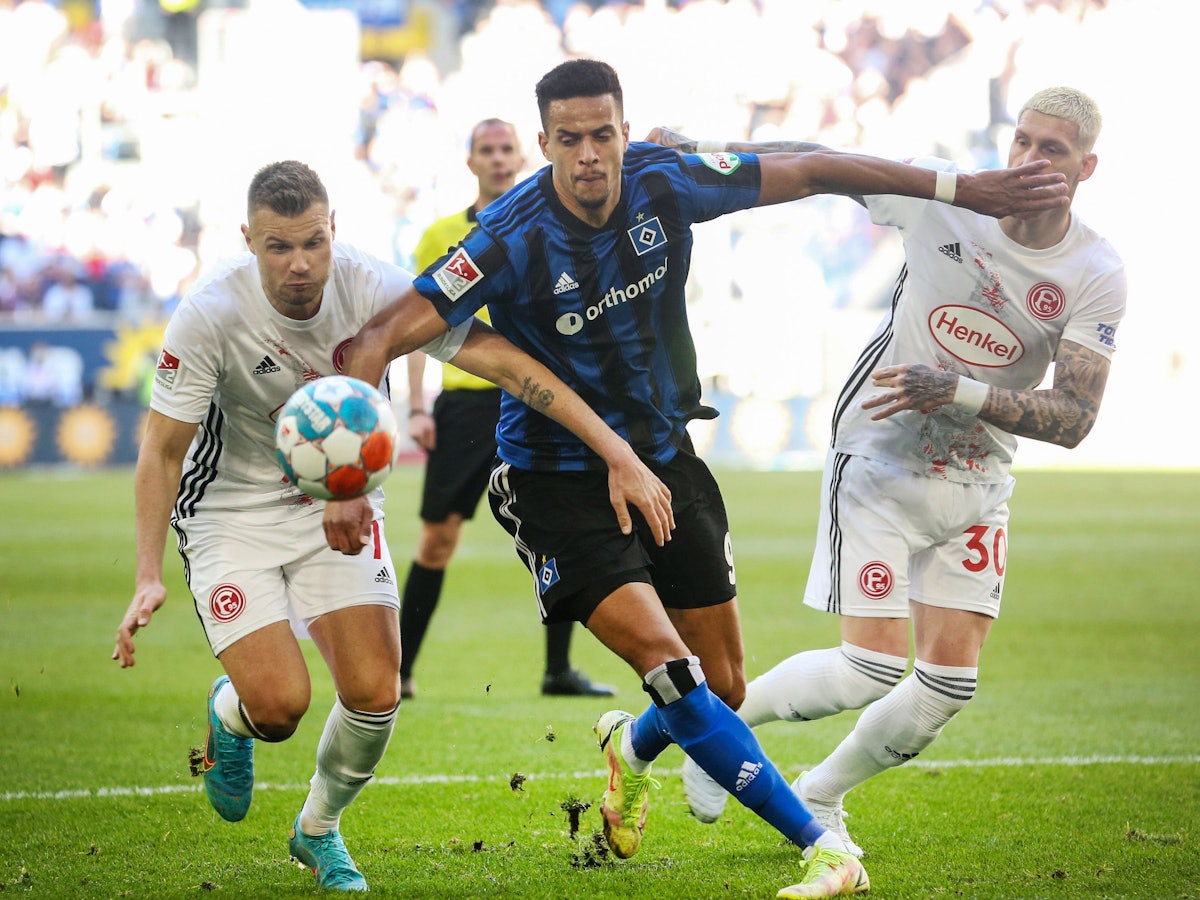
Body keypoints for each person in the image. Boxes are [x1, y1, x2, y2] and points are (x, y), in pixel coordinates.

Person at [342, 60, 1068, 899]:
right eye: (569, 139)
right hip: (556, 479)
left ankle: (632, 746)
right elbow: (374, 342)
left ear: (624, 129)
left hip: (665, 457)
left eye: (603, 134)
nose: (588, 155)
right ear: (544, 145)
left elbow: (816, 169)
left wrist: (958, 187)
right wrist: (355, 480)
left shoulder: (667, 182)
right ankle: (819, 843)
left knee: (722, 688)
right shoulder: (507, 234)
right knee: (672, 667)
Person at [111, 160, 673, 893]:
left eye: (313, 241)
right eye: (278, 247)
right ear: (247, 240)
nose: (300, 263)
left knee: (376, 694)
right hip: (231, 514)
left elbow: (496, 357)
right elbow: (161, 449)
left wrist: (613, 447)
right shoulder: (212, 311)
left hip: (342, 506)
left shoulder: (371, 286)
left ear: (334, 229)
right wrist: (148, 575)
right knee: (279, 709)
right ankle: (231, 715)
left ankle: (317, 830)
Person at [658, 87, 1126, 861]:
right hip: (880, 449)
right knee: (869, 666)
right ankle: (708, 735)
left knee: (948, 685)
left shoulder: (1096, 270)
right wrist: (707, 147)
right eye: (1023, 141)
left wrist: (962, 393)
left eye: (1053, 151)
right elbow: (820, 165)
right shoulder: (947, 196)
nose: (1029, 160)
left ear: (1087, 168)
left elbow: (1075, 417)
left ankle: (820, 793)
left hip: (979, 479)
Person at [400, 117, 616, 700]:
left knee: (565, 528)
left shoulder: (551, 225)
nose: (497, 159)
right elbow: (422, 324)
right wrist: (418, 408)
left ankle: (557, 671)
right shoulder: (441, 233)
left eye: (505, 150)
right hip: (467, 407)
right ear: (470, 162)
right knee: (437, 539)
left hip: (538, 397)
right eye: (486, 151)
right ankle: (399, 671)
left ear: (523, 158)